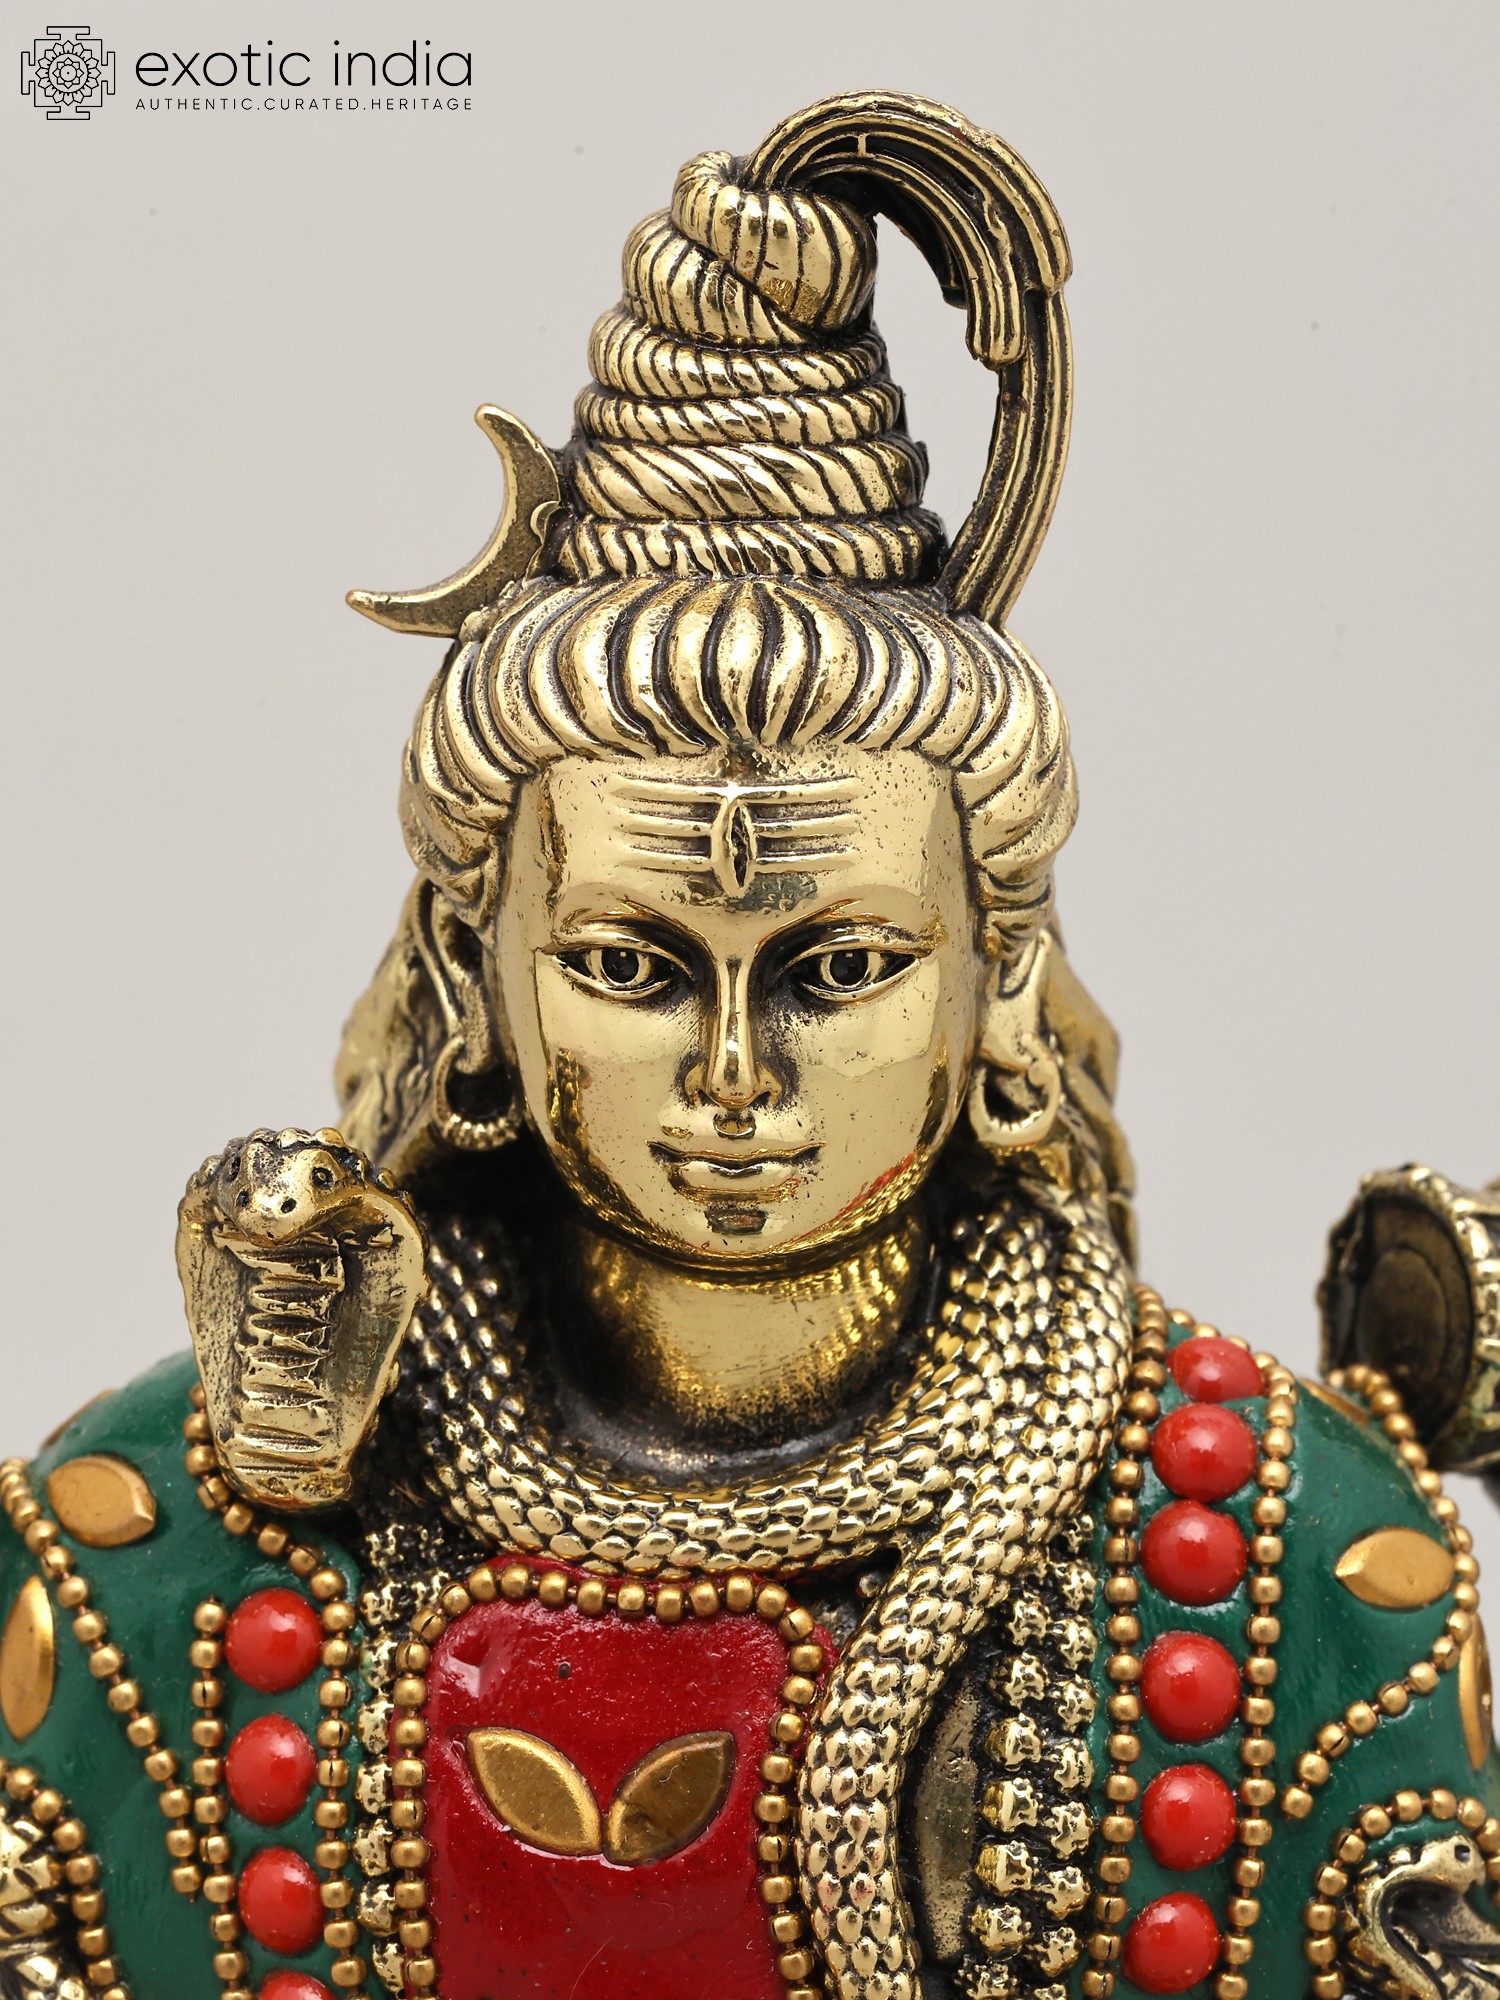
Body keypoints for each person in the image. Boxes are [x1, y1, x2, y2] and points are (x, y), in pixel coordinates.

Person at [0, 89, 1494, 2000]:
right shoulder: (169, 1544)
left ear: (997, 974)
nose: (734, 1071)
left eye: (838, 965)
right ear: (479, 970)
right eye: (631, 966)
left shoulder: (1276, 1549)